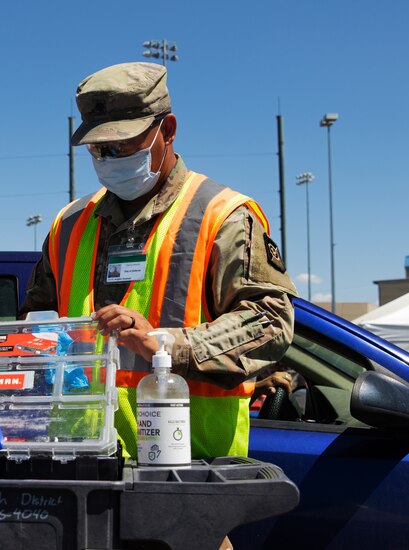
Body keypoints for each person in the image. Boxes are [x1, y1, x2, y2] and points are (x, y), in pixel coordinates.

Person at [19, 62, 297, 462]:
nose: (108, 157)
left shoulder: (221, 216)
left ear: (166, 131)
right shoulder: (68, 225)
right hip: (79, 465)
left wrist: (167, 345)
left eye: (122, 144)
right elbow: (34, 324)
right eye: (98, 148)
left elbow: (271, 322)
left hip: (190, 468)